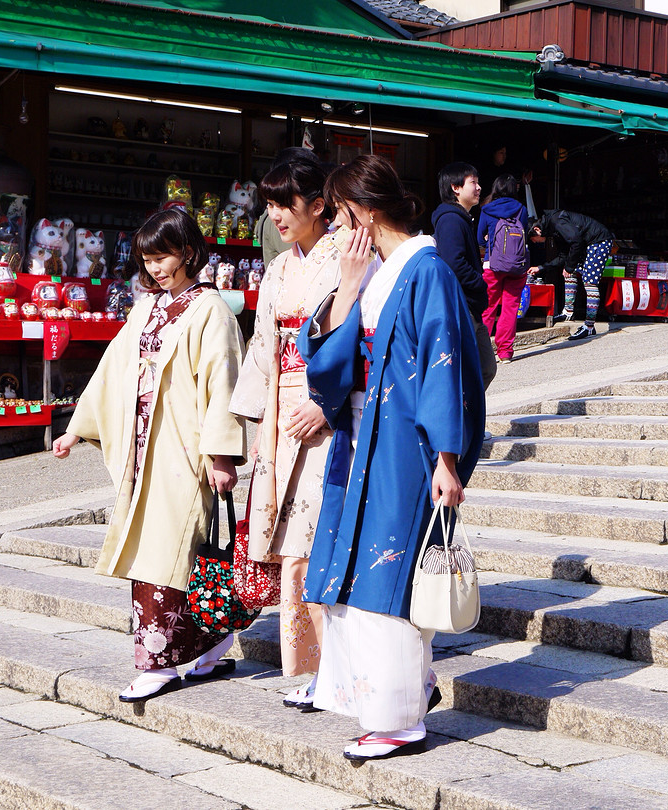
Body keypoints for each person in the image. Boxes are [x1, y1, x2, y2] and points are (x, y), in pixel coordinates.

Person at [296, 154, 485, 762]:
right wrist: (349, 288)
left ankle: (398, 717)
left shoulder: (426, 270)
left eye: (341, 214)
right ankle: (404, 692)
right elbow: (324, 364)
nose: (335, 229)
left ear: (365, 213)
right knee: (354, 569)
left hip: (405, 444)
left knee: (386, 572)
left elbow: (447, 363)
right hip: (358, 439)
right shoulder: (373, 272)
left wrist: (447, 459)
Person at [51, 209, 246, 702]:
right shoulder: (147, 307)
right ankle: (209, 639)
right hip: (143, 444)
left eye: (164, 256)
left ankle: (158, 661)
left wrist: (221, 454)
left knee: (173, 548)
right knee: (152, 549)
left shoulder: (211, 309)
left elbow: (223, 381)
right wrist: (78, 428)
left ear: (188, 252)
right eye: (149, 259)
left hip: (183, 443)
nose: (157, 268)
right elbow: (113, 366)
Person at [229, 154, 376, 710]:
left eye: (284, 204)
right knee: (293, 545)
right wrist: (246, 429)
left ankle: (343, 665)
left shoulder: (351, 255)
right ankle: (319, 668)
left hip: (330, 414)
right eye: (269, 205)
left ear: (320, 205)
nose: (275, 216)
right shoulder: (277, 268)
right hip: (282, 412)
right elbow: (263, 345)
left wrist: (329, 403)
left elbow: (363, 334)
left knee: (323, 540)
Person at [430, 161, 496, 389]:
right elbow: (453, 262)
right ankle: (461, 421)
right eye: (473, 183)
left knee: (484, 368)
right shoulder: (450, 219)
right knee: (471, 372)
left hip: (469, 306)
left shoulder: (460, 218)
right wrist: (480, 282)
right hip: (461, 305)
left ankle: (467, 421)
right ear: (455, 187)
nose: (478, 188)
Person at [528, 209, 614, 341]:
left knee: (589, 281)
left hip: (599, 240)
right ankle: (568, 312)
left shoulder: (557, 221)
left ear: (537, 230)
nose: (536, 242)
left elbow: (576, 241)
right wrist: (541, 268)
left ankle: (589, 326)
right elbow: (563, 256)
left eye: (534, 239)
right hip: (585, 244)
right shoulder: (553, 230)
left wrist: (569, 266)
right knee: (569, 272)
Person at [477, 173, 529, 364]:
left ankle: (482, 353)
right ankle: (505, 352)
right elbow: (523, 231)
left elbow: (478, 237)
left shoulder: (486, 209)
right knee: (510, 307)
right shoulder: (521, 209)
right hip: (517, 266)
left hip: (493, 264)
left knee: (488, 307)